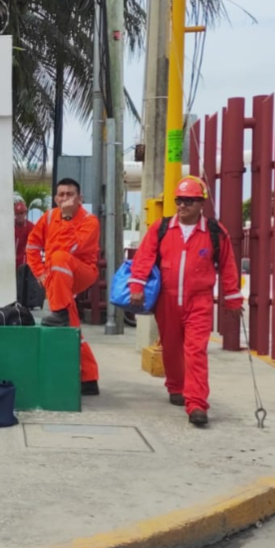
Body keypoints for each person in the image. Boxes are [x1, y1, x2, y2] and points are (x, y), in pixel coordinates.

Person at [128, 176, 242, 427]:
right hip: (166, 300)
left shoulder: (215, 233)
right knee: (171, 348)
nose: (183, 206)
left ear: (201, 203)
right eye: (179, 200)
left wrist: (233, 300)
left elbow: (228, 268)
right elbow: (144, 258)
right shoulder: (161, 228)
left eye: (189, 201)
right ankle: (176, 387)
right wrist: (137, 286)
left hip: (199, 302)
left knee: (195, 352)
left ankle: (197, 404)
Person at [26, 178, 101, 395]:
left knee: (59, 256)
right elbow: (32, 246)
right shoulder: (48, 217)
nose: (65, 198)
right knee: (72, 323)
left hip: (81, 271)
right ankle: (89, 377)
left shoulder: (90, 221)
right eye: (61, 194)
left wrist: (67, 218)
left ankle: (59, 311)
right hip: (56, 276)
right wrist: (40, 274)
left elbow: (69, 247)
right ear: (55, 198)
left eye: (70, 194)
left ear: (80, 199)